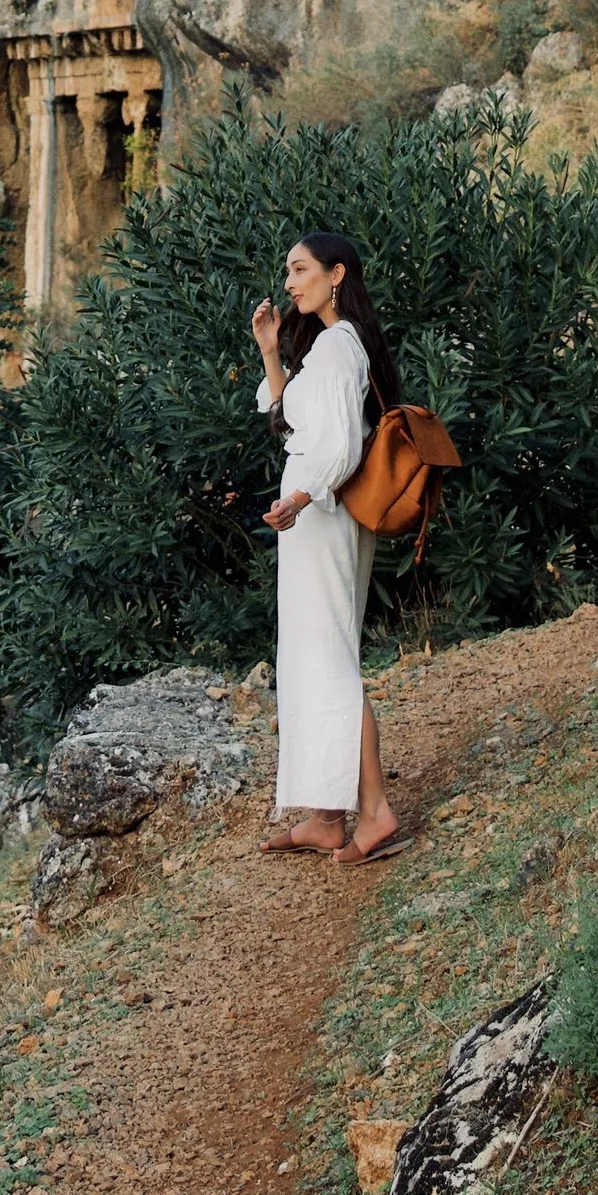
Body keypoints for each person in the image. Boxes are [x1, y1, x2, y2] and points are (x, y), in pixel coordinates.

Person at [251, 229, 404, 863]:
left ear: (336, 273)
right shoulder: (324, 349)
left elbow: (340, 446)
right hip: (310, 515)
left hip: (322, 512)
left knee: (332, 657)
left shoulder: (342, 348)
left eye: (300, 269)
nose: (289, 283)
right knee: (311, 655)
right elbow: (289, 415)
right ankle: (324, 815)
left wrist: (301, 498)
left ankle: (374, 810)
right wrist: (269, 352)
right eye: (287, 271)